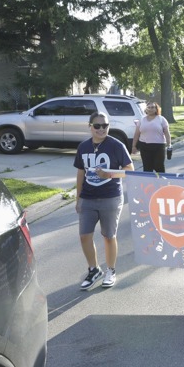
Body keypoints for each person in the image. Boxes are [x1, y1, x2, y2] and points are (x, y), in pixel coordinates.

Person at [75, 111, 134, 291]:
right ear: (90, 127)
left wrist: (109, 174)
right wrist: (78, 198)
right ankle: (94, 270)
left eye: (105, 125)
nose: (102, 129)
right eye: (97, 125)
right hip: (87, 198)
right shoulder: (83, 147)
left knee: (109, 236)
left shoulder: (116, 145)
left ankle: (110, 270)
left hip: (110, 197)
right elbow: (80, 172)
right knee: (84, 236)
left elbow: (130, 170)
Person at [131, 101, 171, 172]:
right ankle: (148, 179)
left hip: (158, 146)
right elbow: (137, 134)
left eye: (152, 107)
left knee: (158, 166)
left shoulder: (161, 119)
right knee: (147, 167)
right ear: (146, 109)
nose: (150, 109)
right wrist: (134, 146)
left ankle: (160, 179)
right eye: (148, 107)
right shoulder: (142, 119)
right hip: (144, 146)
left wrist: (169, 145)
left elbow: (167, 133)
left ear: (156, 109)